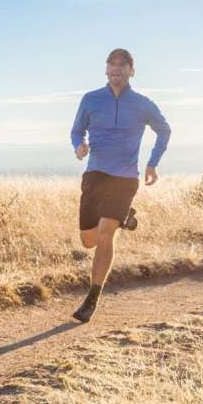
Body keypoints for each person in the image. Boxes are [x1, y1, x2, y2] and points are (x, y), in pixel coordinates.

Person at [68, 47, 171, 323]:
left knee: (104, 234)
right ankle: (125, 217)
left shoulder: (142, 104)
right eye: (111, 64)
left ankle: (92, 298)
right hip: (95, 175)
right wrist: (79, 146)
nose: (116, 69)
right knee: (88, 240)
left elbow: (164, 129)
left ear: (131, 71)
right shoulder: (91, 100)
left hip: (125, 178)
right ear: (105, 70)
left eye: (122, 65)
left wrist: (152, 163)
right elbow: (76, 130)